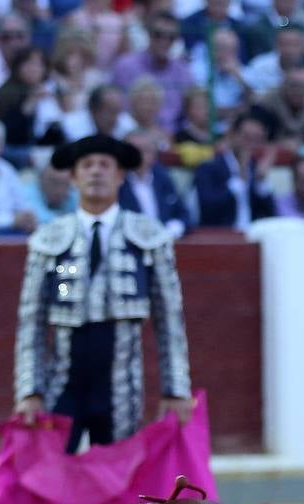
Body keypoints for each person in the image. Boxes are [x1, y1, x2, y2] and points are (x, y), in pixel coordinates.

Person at [12, 134, 192, 453]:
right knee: (51, 478)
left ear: (120, 176)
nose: (96, 172)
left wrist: (176, 389)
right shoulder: (49, 239)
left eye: (105, 165)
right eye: (88, 165)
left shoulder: (149, 236)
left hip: (122, 387)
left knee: (118, 482)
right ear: (73, 177)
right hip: (60, 385)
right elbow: (32, 324)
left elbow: (170, 322)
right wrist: (29, 390)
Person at [192, 110, 278, 227]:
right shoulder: (209, 167)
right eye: (246, 137)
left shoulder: (255, 169)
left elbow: (271, 215)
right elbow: (208, 208)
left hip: (252, 236)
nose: (251, 144)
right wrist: (237, 182)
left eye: (257, 139)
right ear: (232, 134)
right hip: (220, 238)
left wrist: (261, 181)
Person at [111, 13, 193, 134]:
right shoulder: (125, 66)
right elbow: (118, 109)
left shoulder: (183, 72)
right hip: (131, 134)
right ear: (149, 34)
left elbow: (188, 115)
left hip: (171, 139)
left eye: (171, 37)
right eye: (158, 35)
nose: (164, 41)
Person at [119, 128, 190, 238]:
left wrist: (176, 227)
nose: (140, 156)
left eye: (145, 150)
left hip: (164, 244)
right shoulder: (118, 182)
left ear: (154, 154)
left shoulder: (162, 178)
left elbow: (183, 214)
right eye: (134, 151)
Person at [252, 65, 304, 148]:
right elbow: (252, 142)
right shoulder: (265, 105)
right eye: (294, 85)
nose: (298, 91)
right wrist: (281, 145)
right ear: (284, 84)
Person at [0, 121, 36, 234]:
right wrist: (12, 220)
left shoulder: (7, 170)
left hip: (10, 233)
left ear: (2, 146)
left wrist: (28, 216)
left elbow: (22, 204)